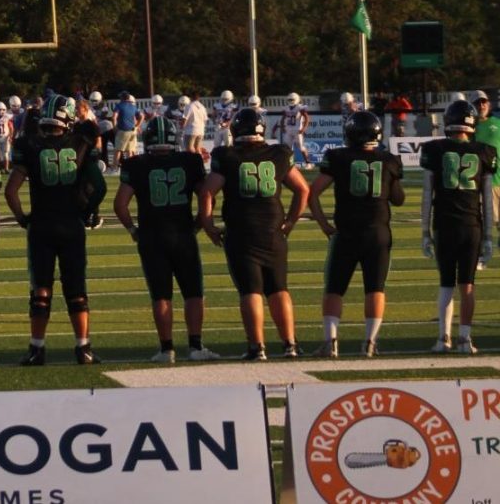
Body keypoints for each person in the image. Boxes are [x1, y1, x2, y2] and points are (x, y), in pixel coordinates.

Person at [199, 107, 309, 361]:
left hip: (242, 231)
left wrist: (208, 225)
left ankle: (257, 347)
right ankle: (290, 344)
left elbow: (207, 193)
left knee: (250, 291)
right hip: (273, 230)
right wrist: (291, 220)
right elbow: (303, 189)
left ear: (236, 130)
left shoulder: (226, 155)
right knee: (279, 289)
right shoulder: (278, 153)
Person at [6, 93, 107, 365]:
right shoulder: (80, 142)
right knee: (75, 287)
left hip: (41, 224)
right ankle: (83, 348)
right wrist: (87, 211)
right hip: (71, 224)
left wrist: (22, 218)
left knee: (41, 289)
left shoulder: (29, 144)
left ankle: (37, 348)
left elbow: (11, 191)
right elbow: (100, 187)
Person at [113, 115, 217, 363]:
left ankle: (166, 349)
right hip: (183, 235)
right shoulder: (190, 161)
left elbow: (120, 205)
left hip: (151, 237)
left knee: (161, 295)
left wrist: (132, 230)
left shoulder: (135, 164)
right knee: (193, 292)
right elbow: (206, 197)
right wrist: (197, 226)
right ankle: (195, 346)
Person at [307, 111, 404, 358]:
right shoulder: (388, 159)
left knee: (334, 289)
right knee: (375, 288)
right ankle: (370, 343)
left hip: (346, 232)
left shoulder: (338, 157)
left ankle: (331, 342)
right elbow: (399, 199)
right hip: (378, 233)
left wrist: (323, 225)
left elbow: (313, 193)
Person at [419, 99, 496, 353]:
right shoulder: (485, 152)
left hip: (445, 224)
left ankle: (443, 338)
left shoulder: (435, 150)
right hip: (472, 225)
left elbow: (427, 194)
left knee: (446, 284)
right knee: (468, 285)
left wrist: (425, 232)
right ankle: (465, 339)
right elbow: (486, 199)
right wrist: (488, 236)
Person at [469, 90, 500, 261]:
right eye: (477, 103)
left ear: (489, 103)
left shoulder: (498, 123)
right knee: (481, 224)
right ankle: (480, 257)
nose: (481, 105)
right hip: (482, 183)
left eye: (484, 102)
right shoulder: (470, 128)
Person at [274, 93, 311, 167]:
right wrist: (283, 127)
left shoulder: (300, 107)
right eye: (290, 99)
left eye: (292, 99)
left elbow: (307, 118)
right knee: (287, 148)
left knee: (301, 147)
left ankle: (308, 163)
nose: (291, 101)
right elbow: (283, 118)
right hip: (288, 129)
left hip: (297, 130)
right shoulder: (286, 108)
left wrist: (304, 128)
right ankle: (289, 164)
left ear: (297, 99)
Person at [112, 92, 142, 169]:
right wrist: (137, 126)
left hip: (123, 130)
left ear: (122, 98)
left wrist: (115, 127)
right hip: (132, 131)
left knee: (118, 150)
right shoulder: (133, 107)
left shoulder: (119, 106)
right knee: (130, 150)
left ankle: (115, 168)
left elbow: (114, 117)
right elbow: (141, 116)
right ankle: (131, 167)